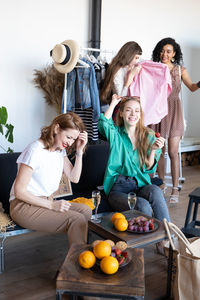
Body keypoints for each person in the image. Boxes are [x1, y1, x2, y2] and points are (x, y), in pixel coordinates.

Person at [9, 112, 92, 253]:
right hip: (23, 206)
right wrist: (52, 205)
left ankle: (80, 253)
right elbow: (19, 191)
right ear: (56, 129)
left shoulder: (60, 151)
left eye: (73, 139)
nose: (70, 142)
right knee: (76, 219)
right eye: (68, 137)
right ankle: (77, 268)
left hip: (45, 202)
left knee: (85, 210)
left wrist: (79, 151)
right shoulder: (34, 150)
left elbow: (74, 178)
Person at [98, 95, 171, 225]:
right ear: (121, 113)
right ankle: (143, 241)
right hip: (118, 188)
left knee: (155, 190)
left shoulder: (149, 135)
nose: (133, 114)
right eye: (128, 110)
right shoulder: (115, 134)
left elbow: (148, 168)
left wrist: (153, 149)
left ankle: (166, 236)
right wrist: (114, 103)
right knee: (142, 205)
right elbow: (103, 123)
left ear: (140, 114)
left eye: (137, 110)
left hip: (141, 184)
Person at [150, 37, 200, 204]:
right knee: (159, 150)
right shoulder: (154, 68)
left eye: (168, 51)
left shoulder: (179, 70)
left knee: (172, 151)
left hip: (174, 112)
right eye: (162, 50)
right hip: (158, 111)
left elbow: (192, 87)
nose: (164, 54)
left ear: (174, 54)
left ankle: (175, 189)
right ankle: (162, 184)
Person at [100, 41, 142, 120]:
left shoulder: (127, 68)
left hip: (127, 109)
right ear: (129, 55)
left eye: (138, 58)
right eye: (136, 58)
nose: (137, 61)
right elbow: (121, 97)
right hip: (120, 111)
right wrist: (130, 76)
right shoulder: (118, 71)